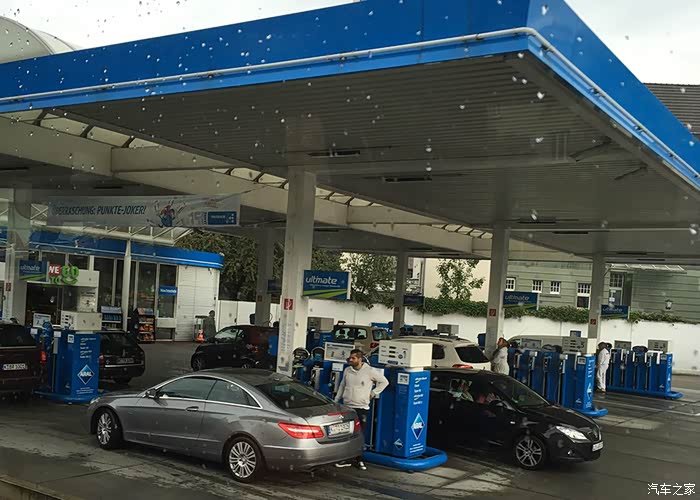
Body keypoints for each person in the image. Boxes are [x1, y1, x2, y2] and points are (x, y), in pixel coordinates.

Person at [334, 349, 389, 471]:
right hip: (347, 406)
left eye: (353, 358)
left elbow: (384, 382)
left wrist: (373, 393)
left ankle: (359, 459)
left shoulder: (369, 371)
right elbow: (342, 385)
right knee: (347, 434)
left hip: (361, 408)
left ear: (360, 359)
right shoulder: (347, 370)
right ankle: (346, 457)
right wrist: (336, 400)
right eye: (350, 358)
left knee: (358, 435)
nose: (350, 360)